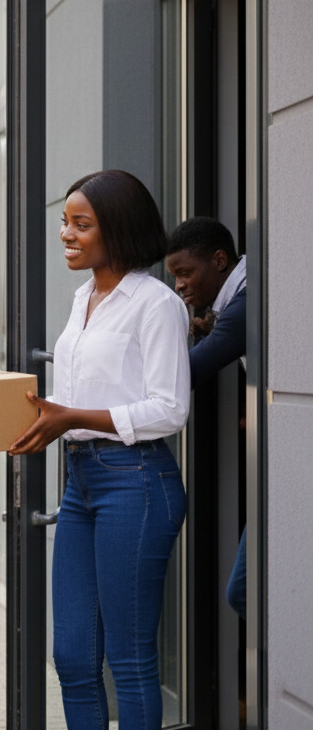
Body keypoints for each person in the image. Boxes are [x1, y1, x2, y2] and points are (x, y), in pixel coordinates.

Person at [9, 170, 190, 730]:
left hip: (136, 481)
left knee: (129, 662)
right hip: (82, 479)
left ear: (120, 229)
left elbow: (170, 408)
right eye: (65, 221)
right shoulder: (84, 297)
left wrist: (72, 418)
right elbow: (74, 397)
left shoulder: (155, 304)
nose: (66, 233)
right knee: (72, 656)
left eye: (81, 224)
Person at [165, 216, 247, 618]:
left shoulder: (247, 301)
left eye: (184, 272)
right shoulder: (237, 302)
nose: (179, 284)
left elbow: (184, 376)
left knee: (246, 590)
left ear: (218, 261)